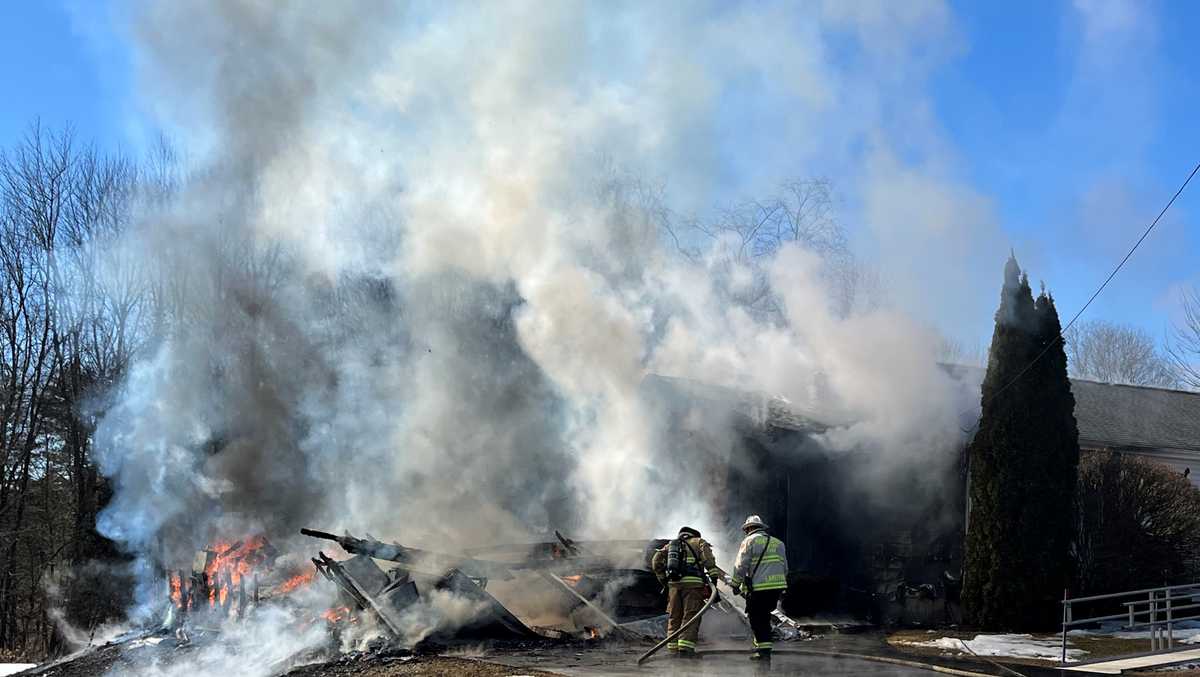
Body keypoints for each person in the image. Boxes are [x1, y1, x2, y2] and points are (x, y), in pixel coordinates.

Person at [651, 526, 724, 658]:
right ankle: (685, 650)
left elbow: (656, 561)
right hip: (693, 586)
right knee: (690, 616)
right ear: (694, 535)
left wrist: (664, 580)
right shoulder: (699, 542)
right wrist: (713, 579)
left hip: (674, 586)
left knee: (674, 617)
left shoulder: (671, 545)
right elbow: (709, 561)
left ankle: (672, 650)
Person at [730, 514, 788, 662]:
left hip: (759, 589)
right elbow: (785, 567)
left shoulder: (749, 541)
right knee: (764, 617)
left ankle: (763, 653)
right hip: (776, 588)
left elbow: (740, 566)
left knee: (756, 619)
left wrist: (735, 584)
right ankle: (764, 650)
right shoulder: (779, 543)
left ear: (749, 528)